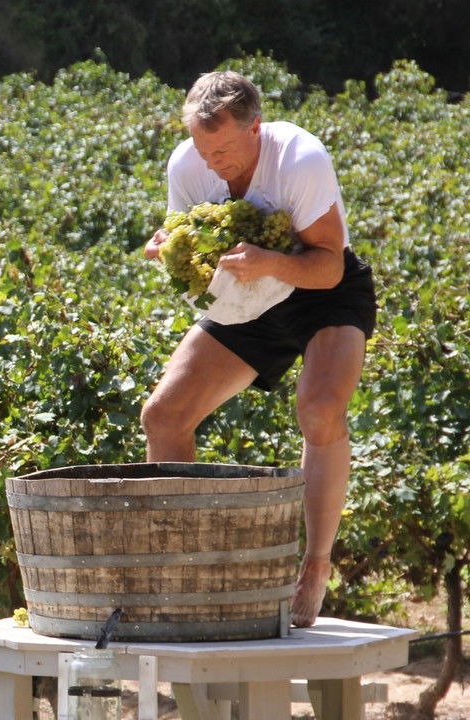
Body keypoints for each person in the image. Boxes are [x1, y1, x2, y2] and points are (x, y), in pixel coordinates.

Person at [141, 72, 377, 627]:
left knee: (319, 411)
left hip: (325, 291)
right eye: (203, 149)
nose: (212, 161)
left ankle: (315, 565)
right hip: (248, 297)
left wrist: (273, 261)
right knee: (163, 416)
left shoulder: (300, 158)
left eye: (222, 149)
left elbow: (329, 264)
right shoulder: (187, 163)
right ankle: (183, 570)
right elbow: (197, 258)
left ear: (256, 129)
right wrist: (172, 250)